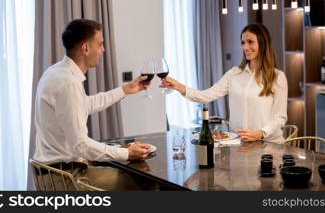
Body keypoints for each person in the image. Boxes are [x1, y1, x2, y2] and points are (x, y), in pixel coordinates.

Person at [33, 19, 153, 190]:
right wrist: (127, 153)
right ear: (86, 48)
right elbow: (80, 145)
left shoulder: (56, 72)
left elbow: (86, 104)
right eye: (100, 44)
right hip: (66, 180)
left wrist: (125, 89)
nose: (103, 50)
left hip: (51, 173)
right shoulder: (68, 83)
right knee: (145, 182)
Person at [160, 24, 288, 144]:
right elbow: (206, 96)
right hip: (239, 144)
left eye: (250, 42)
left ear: (263, 44)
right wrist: (178, 86)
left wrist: (260, 133)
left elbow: (280, 117)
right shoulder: (234, 74)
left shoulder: (277, 77)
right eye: (243, 42)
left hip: (269, 145)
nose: (245, 47)